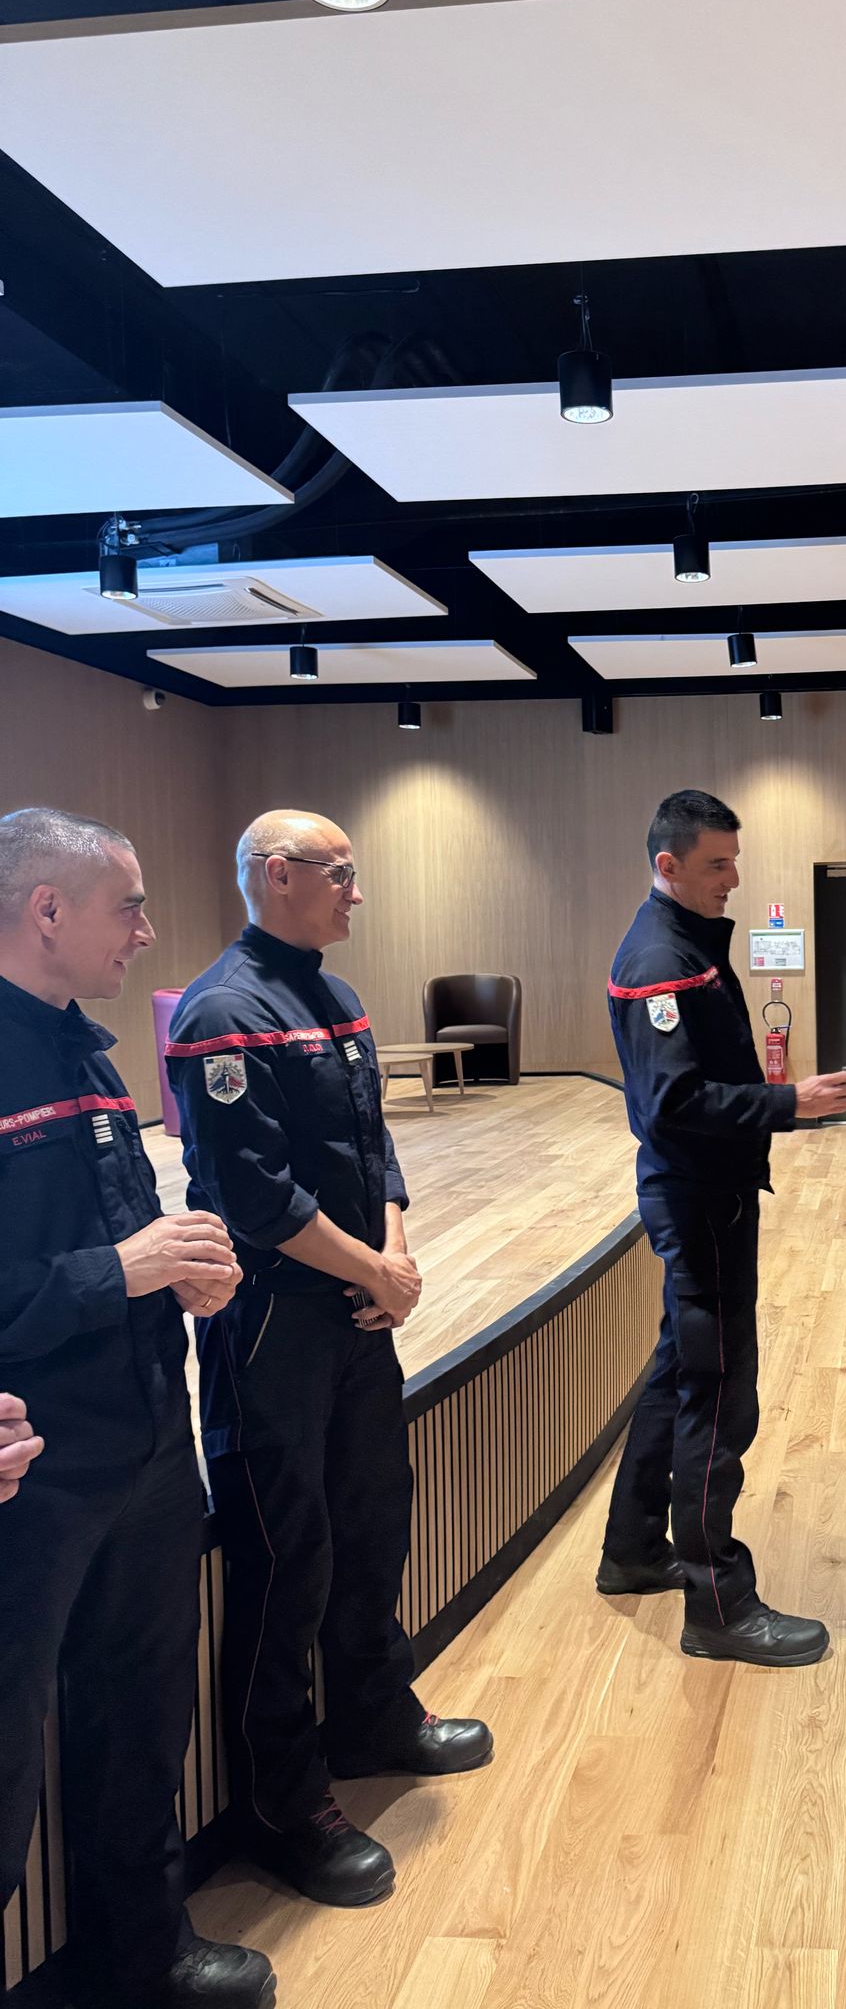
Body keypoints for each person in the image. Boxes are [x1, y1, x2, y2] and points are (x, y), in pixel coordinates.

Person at [167, 811, 490, 1910]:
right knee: (285, 1553)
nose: (358, 892)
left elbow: (374, 1145)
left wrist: (389, 1257)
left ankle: (373, 1715)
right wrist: (374, 1270)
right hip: (273, 1322)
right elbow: (254, 1195)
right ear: (276, 874)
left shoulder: (338, 997)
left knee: (372, 1516)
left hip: (357, 1308)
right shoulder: (223, 1012)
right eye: (340, 873)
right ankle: (283, 1800)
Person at [0, 807, 275, 2009]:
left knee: (140, 1716)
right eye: (130, 906)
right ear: (46, 909)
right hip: (34, 1466)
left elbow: (118, 1238)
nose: (149, 931)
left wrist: (183, 1273)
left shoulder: (92, 1053)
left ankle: (142, 1952)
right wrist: (122, 1268)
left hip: (151, 1438)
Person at [597, 790, 846, 1667]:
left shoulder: (686, 943)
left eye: (735, 861)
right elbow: (672, 1103)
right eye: (717, 864)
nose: (734, 879)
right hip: (698, 1199)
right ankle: (716, 1604)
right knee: (718, 1394)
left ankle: (634, 1550)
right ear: (668, 865)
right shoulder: (660, 960)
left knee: (681, 1371)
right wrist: (789, 1103)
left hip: (709, 1193)